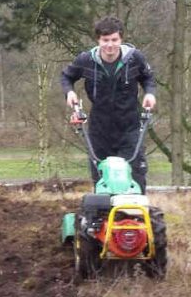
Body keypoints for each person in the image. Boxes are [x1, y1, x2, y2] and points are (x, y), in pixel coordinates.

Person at [61, 16, 157, 191]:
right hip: (99, 129)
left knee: (134, 173)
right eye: (105, 40)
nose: (110, 45)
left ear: (121, 39)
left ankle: (135, 213)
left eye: (114, 40)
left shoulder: (135, 59)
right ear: (98, 40)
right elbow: (67, 76)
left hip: (129, 127)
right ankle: (103, 214)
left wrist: (150, 93)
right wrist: (70, 92)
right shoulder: (86, 60)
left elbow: (148, 77)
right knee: (101, 177)